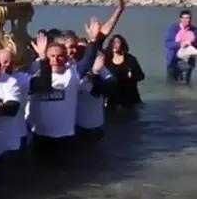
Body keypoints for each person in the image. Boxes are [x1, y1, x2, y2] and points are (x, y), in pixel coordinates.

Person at [26, 17, 103, 162]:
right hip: (40, 136)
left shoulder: (72, 73)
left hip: (65, 137)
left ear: (66, 57)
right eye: (52, 56)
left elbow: (88, 60)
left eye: (60, 56)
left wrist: (93, 41)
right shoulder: (35, 73)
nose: (56, 59)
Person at [75, 52, 115, 143]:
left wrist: (95, 73)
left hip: (93, 126)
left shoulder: (101, 70)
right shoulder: (72, 68)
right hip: (73, 126)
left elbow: (100, 91)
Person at [105, 34, 144, 109]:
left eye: (117, 42)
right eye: (113, 42)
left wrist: (132, 76)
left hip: (130, 97)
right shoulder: (107, 60)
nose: (115, 44)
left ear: (122, 44)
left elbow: (141, 76)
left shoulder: (130, 59)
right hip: (113, 98)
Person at [164, 9, 197, 83]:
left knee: (185, 85)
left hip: (188, 62)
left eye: (189, 18)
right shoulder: (173, 28)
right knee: (171, 84)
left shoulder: (194, 30)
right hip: (173, 61)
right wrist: (179, 44)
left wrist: (192, 44)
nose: (187, 20)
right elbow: (167, 43)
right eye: (185, 18)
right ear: (180, 19)